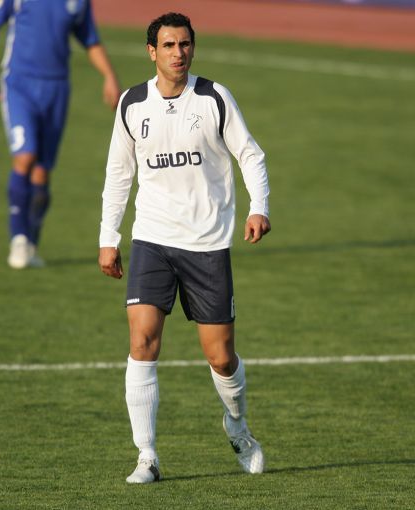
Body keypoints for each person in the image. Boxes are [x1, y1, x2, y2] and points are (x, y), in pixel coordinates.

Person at [98, 12, 271, 484]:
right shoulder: (133, 103)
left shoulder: (214, 98)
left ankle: (237, 425)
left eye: (185, 44)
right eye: (169, 45)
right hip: (152, 239)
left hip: (207, 243)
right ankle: (147, 457)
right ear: (151, 52)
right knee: (141, 342)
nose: (179, 53)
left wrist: (259, 208)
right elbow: (119, 174)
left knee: (221, 358)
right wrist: (108, 238)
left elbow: (250, 155)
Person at [0, 0, 121, 269]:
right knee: (25, 157)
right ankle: (18, 239)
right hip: (19, 84)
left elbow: (90, 39)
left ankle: (31, 243)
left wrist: (109, 76)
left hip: (57, 89)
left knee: (42, 174)